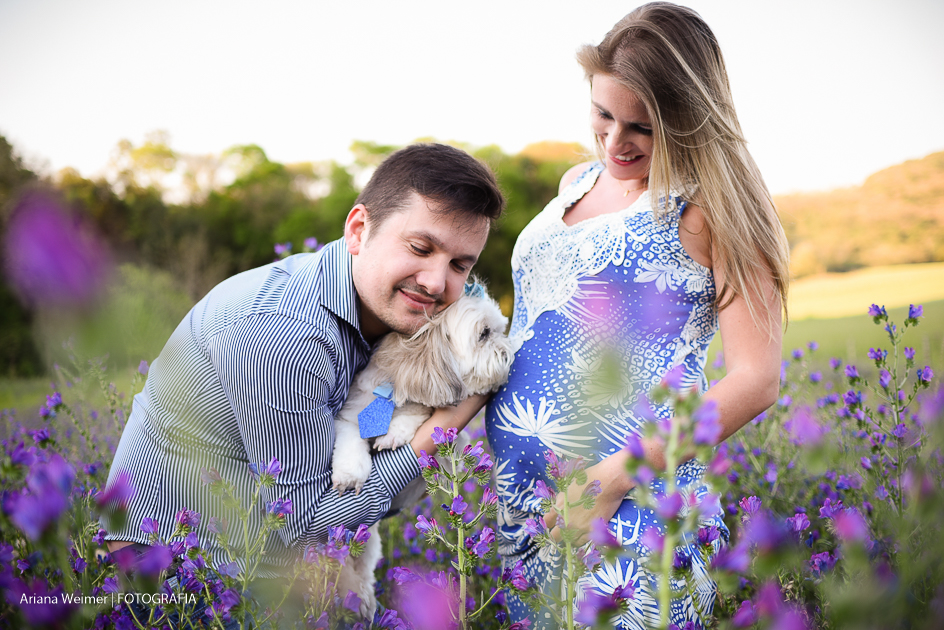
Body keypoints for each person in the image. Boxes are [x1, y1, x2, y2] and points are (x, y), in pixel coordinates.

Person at [484, 3, 790, 628]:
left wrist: (614, 479)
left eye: (642, 128)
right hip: (531, 506)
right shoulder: (576, 181)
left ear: (690, 121)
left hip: (633, 503)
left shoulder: (711, 210)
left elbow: (756, 379)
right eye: (603, 114)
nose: (614, 141)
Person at [103, 143, 504, 581]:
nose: (436, 283)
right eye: (420, 247)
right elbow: (305, 528)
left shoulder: (384, 317)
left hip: (264, 561)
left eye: (459, 265)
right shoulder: (285, 337)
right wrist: (447, 423)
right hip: (175, 572)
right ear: (358, 230)